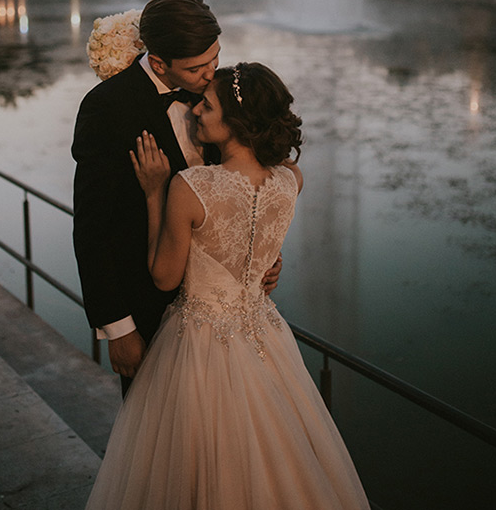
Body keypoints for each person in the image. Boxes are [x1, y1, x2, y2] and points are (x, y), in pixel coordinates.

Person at [84, 62, 370, 510]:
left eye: (208, 105)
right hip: (266, 336)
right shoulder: (292, 179)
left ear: (236, 123)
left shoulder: (190, 186)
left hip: (196, 345)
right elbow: (258, 246)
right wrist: (267, 265)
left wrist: (154, 193)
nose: (196, 110)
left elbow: (163, 276)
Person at [72, 0, 281, 390]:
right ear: (158, 63)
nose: (211, 74)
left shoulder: (220, 93)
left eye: (215, 58)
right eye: (197, 68)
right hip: (149, 313)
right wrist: (119, 329)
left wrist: (263, 254)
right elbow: (93, 229)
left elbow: (242, 186)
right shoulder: (107, 108)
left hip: (228, 317)